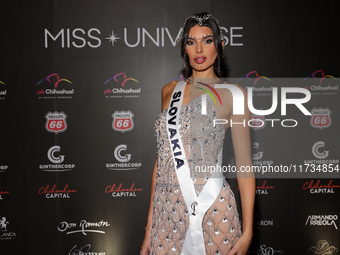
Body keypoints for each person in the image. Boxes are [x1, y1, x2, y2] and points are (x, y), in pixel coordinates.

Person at [141, 12, 255, 255]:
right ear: (184, 48)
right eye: (191, 42)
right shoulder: (169, 91)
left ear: (220, 45)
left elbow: (244, 164)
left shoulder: (233, 94)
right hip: (166, 213)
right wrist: (150, 226)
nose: (199, 48)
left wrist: (248, 233)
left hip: (212, 210)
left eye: (207, 40)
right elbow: (162, 159)